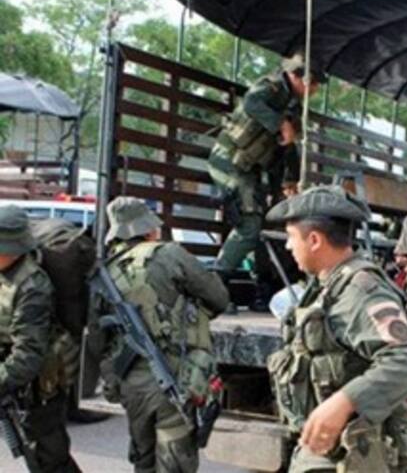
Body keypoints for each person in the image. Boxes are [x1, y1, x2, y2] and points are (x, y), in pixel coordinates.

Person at [265, 185, 407, 473]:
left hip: (351, 456)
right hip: (328, 452)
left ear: (314, 240)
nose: (288, 246)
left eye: (291, 237)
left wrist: (343, 402)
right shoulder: (327, 285)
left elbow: (406, 360)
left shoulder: (360, 291)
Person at [91, 196, 230, 473]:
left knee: (143, 460)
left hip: (130, 382)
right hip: (174, 375)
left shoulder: (106, 270)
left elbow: (97, 335)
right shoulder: (169, 254)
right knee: (174, 461)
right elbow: (219, 297)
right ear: (148, 229)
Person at [208, 53, 323, 276]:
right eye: (313, 82)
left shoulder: (294, 106)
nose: (315, 89)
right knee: (250, 226)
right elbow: (251, 103)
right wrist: (280, 123)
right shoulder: (272, 86)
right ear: (297, 76)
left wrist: (289, 181)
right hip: (228, 162)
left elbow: (288, 147)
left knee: (264, 223)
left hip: (250, 170)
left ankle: (249, 279)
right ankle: (216, 278)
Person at [0, 205, 81, 472]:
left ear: (13, 249)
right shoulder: (5, 273)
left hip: (38, 388)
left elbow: (28, 355)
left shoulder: (33, 286)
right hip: (14, 378)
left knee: (49, 460)